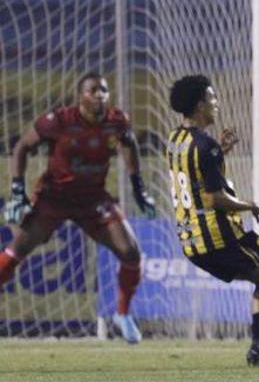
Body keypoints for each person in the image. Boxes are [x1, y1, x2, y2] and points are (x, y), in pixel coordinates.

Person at [1, 72, 155, 343]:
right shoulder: (59, 120)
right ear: (80, 96)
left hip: (93, 199)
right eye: (93, 90)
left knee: (131, 253)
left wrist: (138, 186)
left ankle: (122, 314)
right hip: (54, 198)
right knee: (17, 251)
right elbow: (22, 147)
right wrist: (17, 189)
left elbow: (129, 145)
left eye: (104, 91)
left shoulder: (117, 122)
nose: (100, 95)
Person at [166, 74, 259, 367]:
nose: (216, 104)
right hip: (220, 237)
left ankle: (258, 349)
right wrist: (253, 206)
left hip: (192, 242)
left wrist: (220, 153)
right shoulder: (206, 146)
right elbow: (214, 199)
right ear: (200, 104)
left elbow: (196, 174)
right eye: (212, 98)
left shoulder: (175, 140)